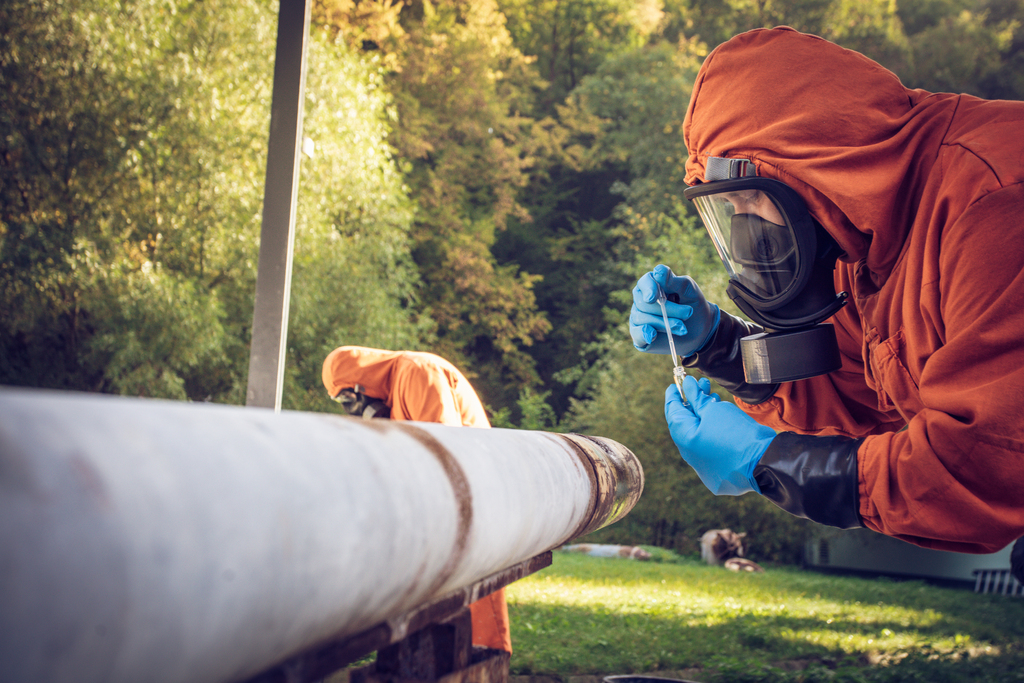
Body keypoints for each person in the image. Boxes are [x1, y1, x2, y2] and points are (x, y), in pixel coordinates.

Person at [628, 27, 1024, 574]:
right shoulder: (862, 239)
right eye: (727, 207)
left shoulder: (994, 202)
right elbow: (855, 397)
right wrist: (719, 345)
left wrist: (767, 461)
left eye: (750, 198)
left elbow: (982, 468)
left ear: (812, 165)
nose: (744, 228)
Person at [322, 345, 513, 653]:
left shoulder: (418, 370)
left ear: (360, 381)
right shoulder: (396, 386)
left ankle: (486, 659)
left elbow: (443, 447)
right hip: (447, 501)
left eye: (349, 398)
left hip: (471, 495)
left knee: (478, 611)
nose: (353, 409)